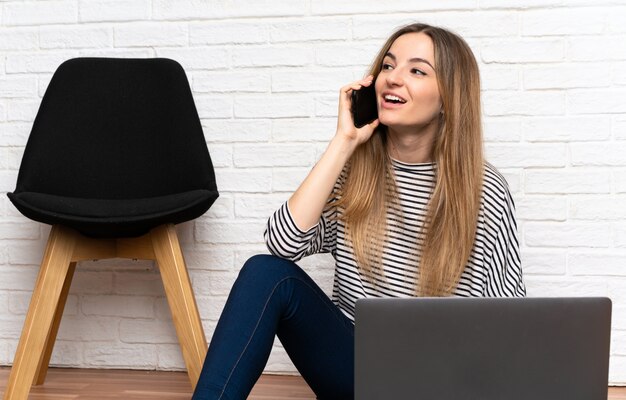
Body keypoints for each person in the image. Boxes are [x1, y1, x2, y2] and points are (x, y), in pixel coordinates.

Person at [192, 22, 525, 400]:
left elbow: (506, 320)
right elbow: (283, 245)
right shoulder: (353, 170)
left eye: (416, 70)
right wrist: (344, 142)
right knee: (265, 273)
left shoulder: (483, 189)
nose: (393, 79)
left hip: (435, 379)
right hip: (354, 368)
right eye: (388, 66)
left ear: (449, 95)